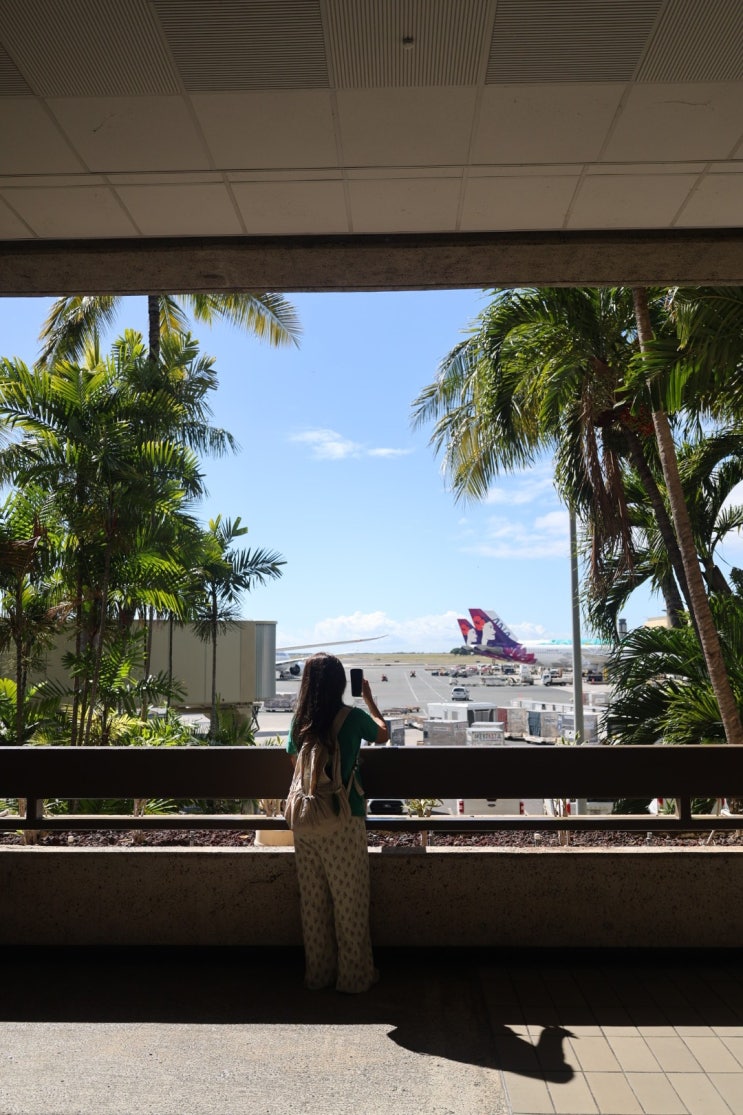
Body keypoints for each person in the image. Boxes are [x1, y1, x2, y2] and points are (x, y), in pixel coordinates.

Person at [286, 653, 389, 993]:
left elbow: (295, 764)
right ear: (341, 682)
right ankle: (354, 978)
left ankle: (318, 975)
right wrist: (370, 701)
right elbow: (383, 735)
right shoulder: (352, 717)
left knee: (313, 901)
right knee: (349, 901)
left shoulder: (299, 722)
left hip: (306, 819)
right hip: (343, 819)